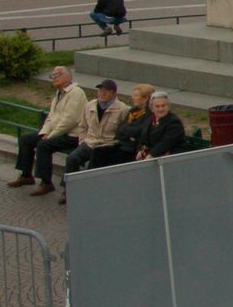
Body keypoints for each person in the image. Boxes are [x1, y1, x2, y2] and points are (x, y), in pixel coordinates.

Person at [11, 66, 88, 196]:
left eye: (57, 75)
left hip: (72, 134)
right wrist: (44, 132)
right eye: (52, 75)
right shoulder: (59, 93)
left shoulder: (76, 92)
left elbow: (71, 120)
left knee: (44, 145)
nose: (53, 78)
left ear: (68, 77)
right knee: (26, 140)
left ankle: (46, 183)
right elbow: (51, 116)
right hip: (57, 132)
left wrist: (51, 135)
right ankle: (26, 175)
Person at [60, 79, 127, 204]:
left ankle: (89, 192)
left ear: (114, 93)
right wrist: (83, 141)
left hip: (107, 145)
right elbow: (83, 127)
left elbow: (124, 132)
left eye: (106, 91)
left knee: (94, 164)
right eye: (100, 90)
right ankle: (68, 191)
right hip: (89, 142)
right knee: (72, 158)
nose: (102, 93)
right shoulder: (90, 105)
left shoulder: (122, 109)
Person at [90, 82, 153, 169]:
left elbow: (139, 132)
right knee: (98, 151)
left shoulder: (150, 114)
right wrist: (129, 132)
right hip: (122, 144)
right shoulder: (133, 111)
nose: (132, 98)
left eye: (135, 95)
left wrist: (128, 131)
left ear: (145, 98)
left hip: (132, 149)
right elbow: (120, 130)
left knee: (106, 158)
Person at [135, 91, 187, 159]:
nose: (161, 109)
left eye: (163, 105)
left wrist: (150, 156)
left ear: (168, 107)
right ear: (152, 109)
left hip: (172, 158)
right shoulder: (150, 119)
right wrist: (141, 151)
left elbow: (165, 144)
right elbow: (143, 138)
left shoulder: (174, 122)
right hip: (154, 156)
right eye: (157, 106)